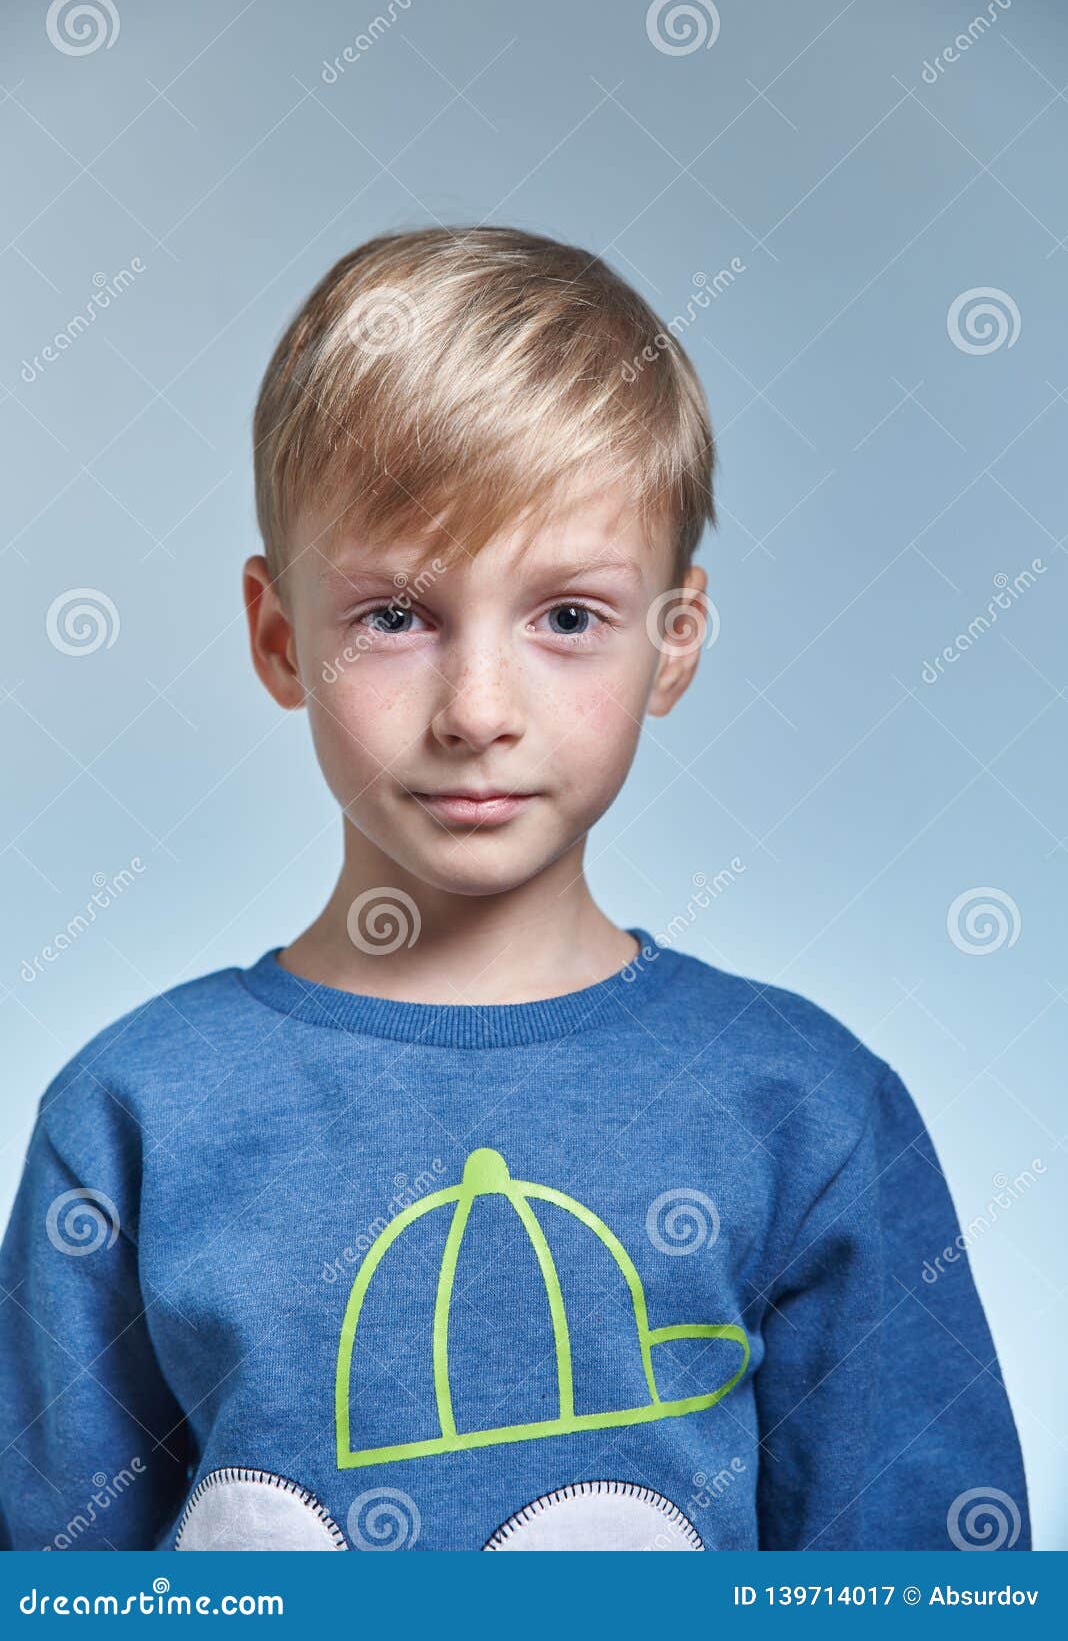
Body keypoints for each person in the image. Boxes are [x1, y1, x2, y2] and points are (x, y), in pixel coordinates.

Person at [0, 228, 1029, 1552]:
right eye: (395, 615)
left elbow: (924, 1594)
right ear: (278, 637)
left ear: (674, 643)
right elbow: (48, 1585)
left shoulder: (806, 1105)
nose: (478, 710)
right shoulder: (134, 1111)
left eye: (568, 617)